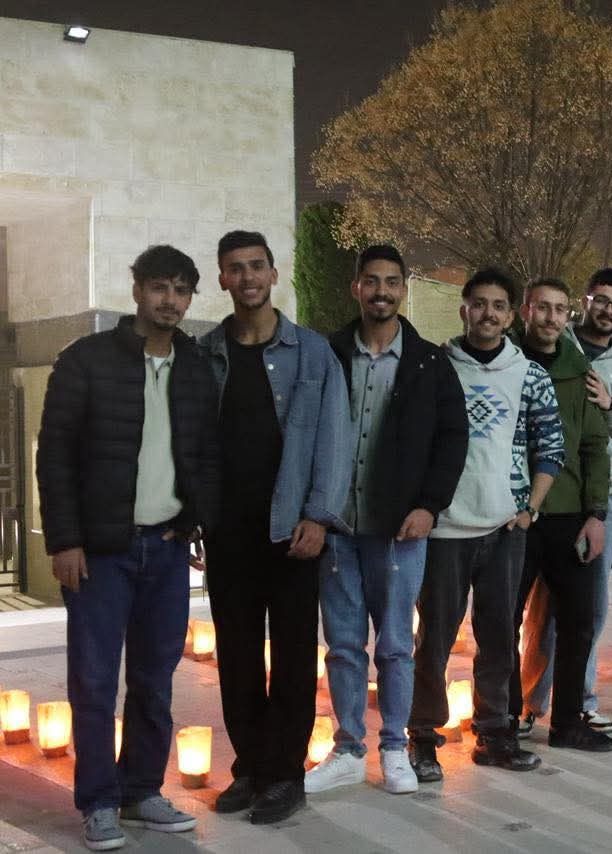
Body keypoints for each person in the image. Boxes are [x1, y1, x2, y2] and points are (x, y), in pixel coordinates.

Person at [37, 245, 219, 851]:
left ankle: (141, 790)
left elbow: (207, 452)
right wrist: (65, 540)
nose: (170, 300)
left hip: (165, 551)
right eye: (160, 287)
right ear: (137, 289)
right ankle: (99, 802)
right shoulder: (86, 359)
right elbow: (55, 455)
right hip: (100, 553)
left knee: (154, 680)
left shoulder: (195, 366)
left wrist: (192, 517)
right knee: (93, 682)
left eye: (181, 290)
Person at [200, 231, 354, 824]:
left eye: (256, 266)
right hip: (228, 531)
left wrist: (318, 515)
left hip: (292, 530)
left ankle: (285, 773)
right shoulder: (206, 353)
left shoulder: (313, 353)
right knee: (237, 655)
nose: (247, 277)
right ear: (223, 278)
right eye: (235, 268)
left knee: (292, 656)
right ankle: (250, 767)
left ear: (273, 273)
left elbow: (334, 441)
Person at [305, 245, 468, 796]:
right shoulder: (328, 354)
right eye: (371, 281)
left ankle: (395, 746)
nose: (381, 291)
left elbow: (453, 439)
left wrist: (429, 505)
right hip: (339, 529)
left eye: (392, 282)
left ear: (404, 289)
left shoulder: (429, 362)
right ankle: (348, 749)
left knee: (397, 644)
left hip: (399, 531)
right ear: (356, 287)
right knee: (343, 645)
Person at [407, 268, 564, 781]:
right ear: (464, 309)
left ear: (512, 314)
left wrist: (530, 507)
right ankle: (423, 735)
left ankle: (494, 731)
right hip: (446, 528)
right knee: (434, 637)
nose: (488, 313)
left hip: (504, 528)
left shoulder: (529, 375)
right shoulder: (436, 367)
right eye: (479, 303)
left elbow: (551, 445)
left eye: (498, 305)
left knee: (498, 634)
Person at [518, 268, 612, 739]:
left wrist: (610, 405)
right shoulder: (552, 349)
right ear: (586, 302)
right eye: (601, 299)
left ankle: (580, 704)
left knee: (585, 609)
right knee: (537, 613)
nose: (608, 309)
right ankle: (529, 704)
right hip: (529, 498)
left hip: (593, 495)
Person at [507, 278, 612, 750]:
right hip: (512, 515)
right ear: (525, 311)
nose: (551, 318)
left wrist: (596, 513)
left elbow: (594, 445)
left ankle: (568, 721)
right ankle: (506, 716)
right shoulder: (504, 363)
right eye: (542, 308)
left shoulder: (579, 370)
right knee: (503, 620)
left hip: (568, 513)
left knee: (578, 622)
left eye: (559, 310)